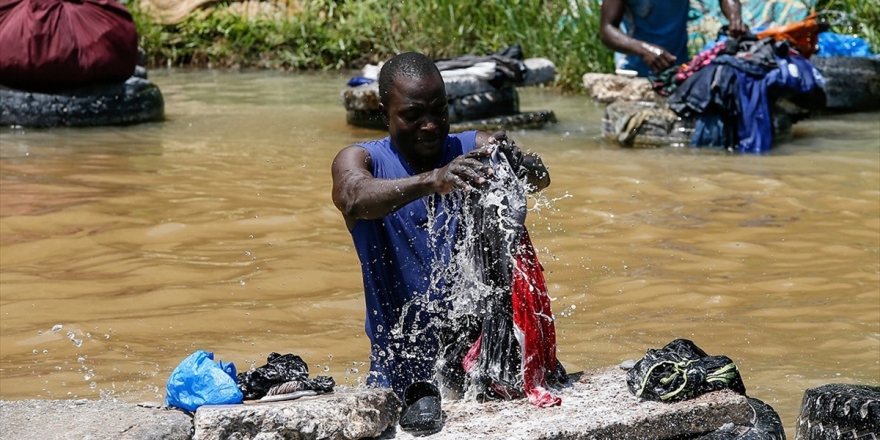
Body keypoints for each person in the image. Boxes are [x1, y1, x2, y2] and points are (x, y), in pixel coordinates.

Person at [330, 52, 550, 398]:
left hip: (481, 367)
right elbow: (353, 196)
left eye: (439, 111)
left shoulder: (470, 149)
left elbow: (540, 180)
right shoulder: (363, 160)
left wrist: (516, 160)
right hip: (401, 375)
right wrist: (434, 179)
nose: (430, 125)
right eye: (413, 115)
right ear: (383, 113)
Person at [599, 0, 749, 77]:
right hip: (633, 71)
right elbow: (607, 30)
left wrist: (735, 18)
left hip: (677, 69)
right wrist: (643, 50)